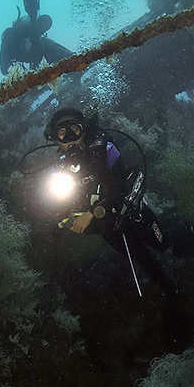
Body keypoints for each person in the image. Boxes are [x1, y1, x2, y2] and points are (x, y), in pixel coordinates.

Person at [42, 107, 174, 294]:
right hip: (108, 228)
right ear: (55, 139)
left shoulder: (105, 150)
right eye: (62, 134)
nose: (71, 138)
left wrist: (90, 214)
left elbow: (121, 187)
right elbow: (58, 205)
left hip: (133, 214)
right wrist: (65, 220)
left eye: (75, 130)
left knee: (163, 243)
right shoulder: (58, 170)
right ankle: (170, 291)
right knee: (140, 258)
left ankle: (187, 231)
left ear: (84, 130)